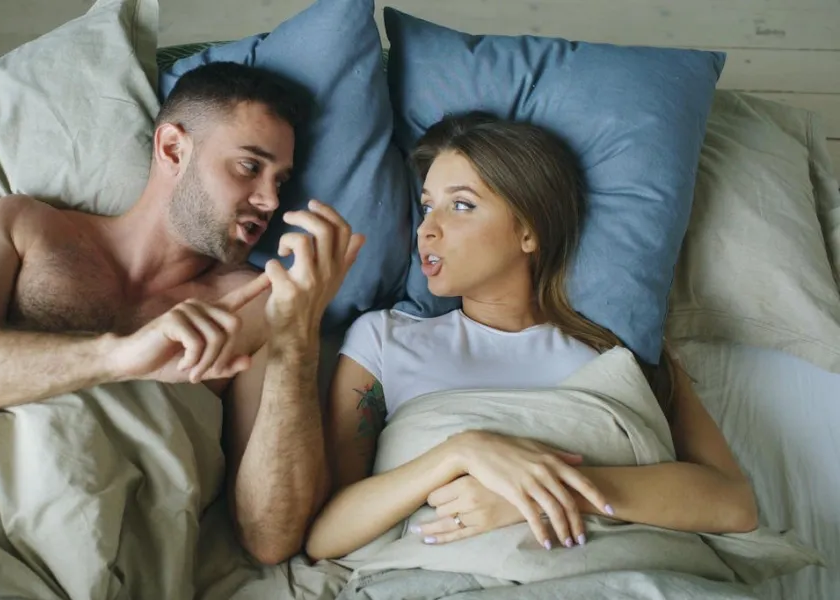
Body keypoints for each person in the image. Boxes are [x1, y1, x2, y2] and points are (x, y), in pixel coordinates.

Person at [0, 62, 363, 565]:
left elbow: (271, 537)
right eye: (249, 166)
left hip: (78, 559)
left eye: (280, 179)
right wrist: (119, 357)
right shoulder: (29, 228)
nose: (270, 200)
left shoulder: (258, 306)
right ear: (173, 149)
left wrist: (299, 336)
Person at [304, 113, 758, 561]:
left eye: (461, 205)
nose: (427, 228)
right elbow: (328, 534)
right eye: (427, 206)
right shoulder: (384, 340)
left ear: (529, 230)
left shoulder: (617, 353)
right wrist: (462, 451)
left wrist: (544, 492)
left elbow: (734, 505)